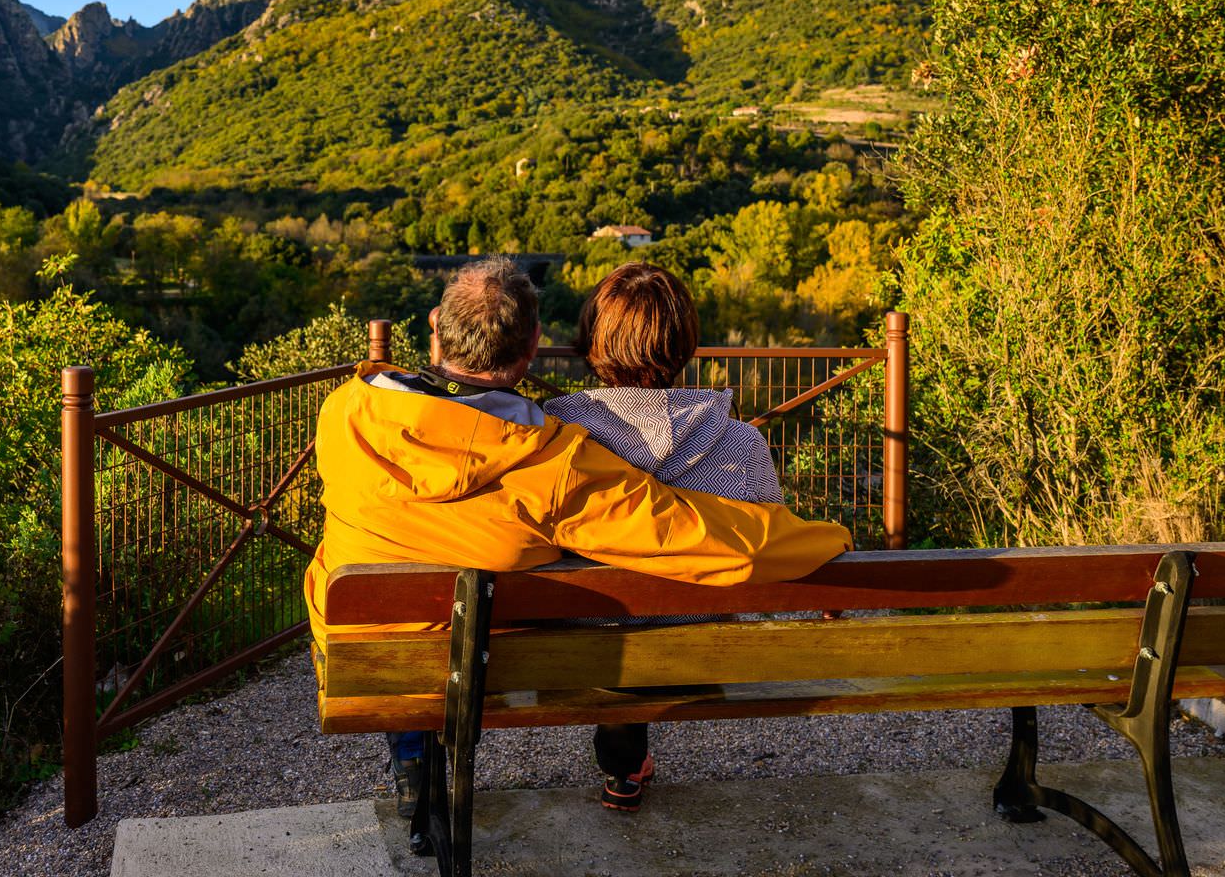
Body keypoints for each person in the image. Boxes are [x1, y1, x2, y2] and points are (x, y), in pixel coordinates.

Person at [304, 257, 850, 839]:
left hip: (352, 646)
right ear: (534, 345)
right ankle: (615, 759)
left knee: (415, 597)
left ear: (435, 324)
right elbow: (681, 532)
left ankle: (414, 760)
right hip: (556, 651)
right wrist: (823, 540)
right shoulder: (547, 458)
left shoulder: (343, 412)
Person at [543, 262, 788, 810]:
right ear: (684, 343)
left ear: (593, 342)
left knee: (613, 630)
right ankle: (626, 757)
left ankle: (623, 760)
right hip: (700, 647)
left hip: (582, 645)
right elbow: (772, 545)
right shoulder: (740, 444)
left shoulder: (554, 440)